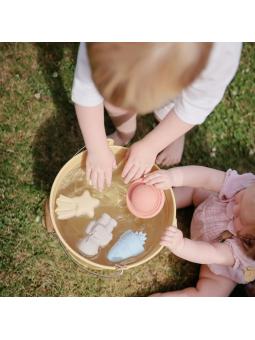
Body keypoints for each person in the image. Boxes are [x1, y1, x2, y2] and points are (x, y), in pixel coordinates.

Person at [72, 43, 242, 191]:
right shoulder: (102, 45)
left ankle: (173, 133)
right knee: (114, 102)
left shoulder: (218, 58)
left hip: (179, 90)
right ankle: (125, 133)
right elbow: (86, 90)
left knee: (171, 110)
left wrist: (151, 146)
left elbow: (193, 108)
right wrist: (97, 149)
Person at [143, 166, 255, 297]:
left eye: (240, 218)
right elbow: (208, 178)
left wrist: (181, 245)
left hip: (217, 265)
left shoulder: (242, 251)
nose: (234, 208)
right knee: (197, 186)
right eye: (241, 197)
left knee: (207, 295)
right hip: (207, 208)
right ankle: (162, 202)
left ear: (250, 240)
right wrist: (172, 177)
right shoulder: (247, 184)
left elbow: (211, 252)